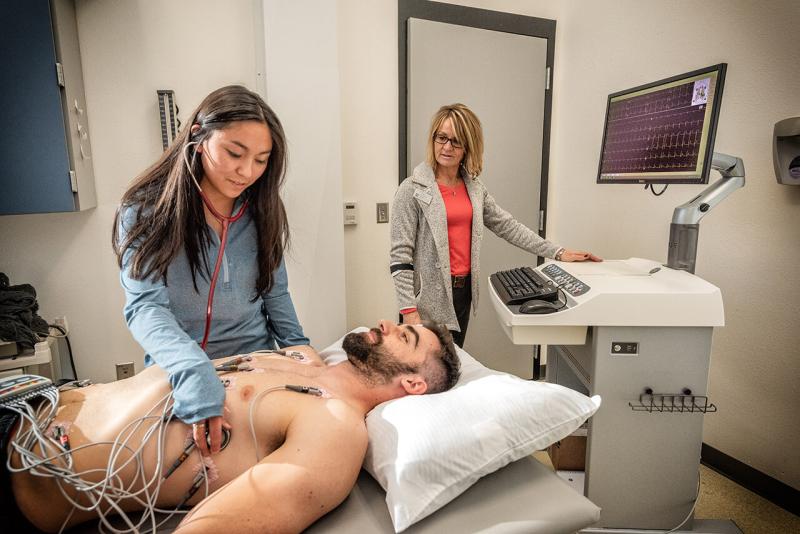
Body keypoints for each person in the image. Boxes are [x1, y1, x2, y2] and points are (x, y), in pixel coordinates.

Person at [2, 320, 460, 533]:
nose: (385, 324)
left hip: (27, 473)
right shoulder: (300, 358)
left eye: (405, 336)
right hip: (30, 400)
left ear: (413, 382)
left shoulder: (336, 427)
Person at [112, 85, 312, 456]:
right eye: (234, 153)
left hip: (255, 366)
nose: (246, 172)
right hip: (181, 369)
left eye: (261, 160)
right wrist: (192, 370)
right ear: (198, 137)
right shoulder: (144, 210)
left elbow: (275, 293)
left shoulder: (263, 210)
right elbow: (145, 308)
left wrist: (299, 350)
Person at [390, 103, 602, 347]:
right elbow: (400, 257)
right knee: (425, 373)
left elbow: (508, 226)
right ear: (433, 139)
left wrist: (557, 252)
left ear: (468, 146)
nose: (447, 147)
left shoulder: (474, 188)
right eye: (442, 138)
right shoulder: (412, 189)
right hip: (425, 298)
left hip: (462, 292)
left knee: (453, 367)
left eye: (456, 141)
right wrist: (408, 310)